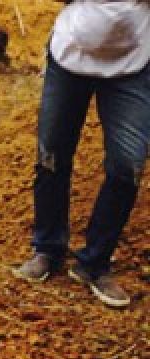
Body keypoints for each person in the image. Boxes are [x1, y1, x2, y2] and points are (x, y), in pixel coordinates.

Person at [12, 0, 149, 309]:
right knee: (52, 156)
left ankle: (94, 263)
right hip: (69, 59)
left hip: (132, 67)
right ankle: (47, 248)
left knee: (127, 165)